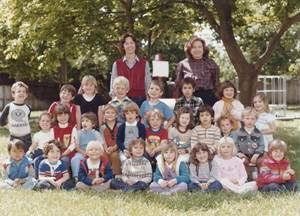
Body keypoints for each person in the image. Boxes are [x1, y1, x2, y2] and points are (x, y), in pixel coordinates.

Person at [175, 36, 220, 106]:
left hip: (209, 99)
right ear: (189, 49)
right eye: (194, 47)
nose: (197, 49)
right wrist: (179, 101)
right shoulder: (182, 64)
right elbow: (178, 85)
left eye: (199, 47)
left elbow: (216, 84)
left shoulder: (211, 63)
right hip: (190, 99)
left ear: (203, 49)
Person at [110, 32, 151, 107]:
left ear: (135, 45)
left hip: (140, 100)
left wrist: (149, 102)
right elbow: (113, 84)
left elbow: (148, 84)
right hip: (121, 100)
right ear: (123, 46)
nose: (129, 45)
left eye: (131, 43)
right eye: (126, 43)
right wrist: (114, 101)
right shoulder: (116, 64)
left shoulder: (145, 64)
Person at [233, 107, 264, 179]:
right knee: (242, 161)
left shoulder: (259, 133)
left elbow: (262, 145)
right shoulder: (238, 132)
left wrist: (256, 155)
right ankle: (244, 178)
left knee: (261, 162)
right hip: (243, 154)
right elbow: (235, 144)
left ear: (256, 120)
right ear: (243, 119)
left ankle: (260, 178)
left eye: (252, 119)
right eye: (247, 118)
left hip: (256, 154)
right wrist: (239, 153)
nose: (250, 121)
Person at [71, 112, 104, 180]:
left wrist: (92, 153)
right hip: (81, 152)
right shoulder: (79, 133)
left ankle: (96, 176)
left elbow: (101, 145)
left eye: (87, 121)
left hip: (93, 152)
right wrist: (84, 153)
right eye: (82, 121)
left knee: (99, 158)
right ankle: (76, 177)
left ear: (93, 124)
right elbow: (76, 147)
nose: (84, 123)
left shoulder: (96, 133)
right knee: (75, 159)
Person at [0, 81, 32, 152]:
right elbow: (1, 121)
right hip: (14, 137)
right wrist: (9, 127)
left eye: (24, 92)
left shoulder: (28, 107)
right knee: (15, 156)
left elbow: (26, 120)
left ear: (26, 95)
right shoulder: (9, 106)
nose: (21, 93)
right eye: (19, 91)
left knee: (26, 156)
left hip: (27, 137)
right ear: (13, 94)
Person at [52, 104, 77, 169]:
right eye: (60, 115)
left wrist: (63, 154)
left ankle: (63, 175)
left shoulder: (72, 128)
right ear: (56, 117)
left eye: (65, 115)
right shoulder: (54, 129)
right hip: (55, 153)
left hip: (67, 154)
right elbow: (51, 143)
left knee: (64, 160)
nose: (63, 117)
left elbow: (73, 144)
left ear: (69, 115)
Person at [100, 104, 121, 175]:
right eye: (107, 112)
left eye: (112, 113)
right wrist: (106, 149)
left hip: (117, 148)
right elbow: (102, 140)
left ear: (116, 115)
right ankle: (106, 175)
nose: (110, 114)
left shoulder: (120, 126)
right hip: (106, 148)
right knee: (103, 155)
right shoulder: (102, 127)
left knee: (114, 155)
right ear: (104, 115)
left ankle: (117, 175)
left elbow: (121, 139)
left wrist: (114, 148)